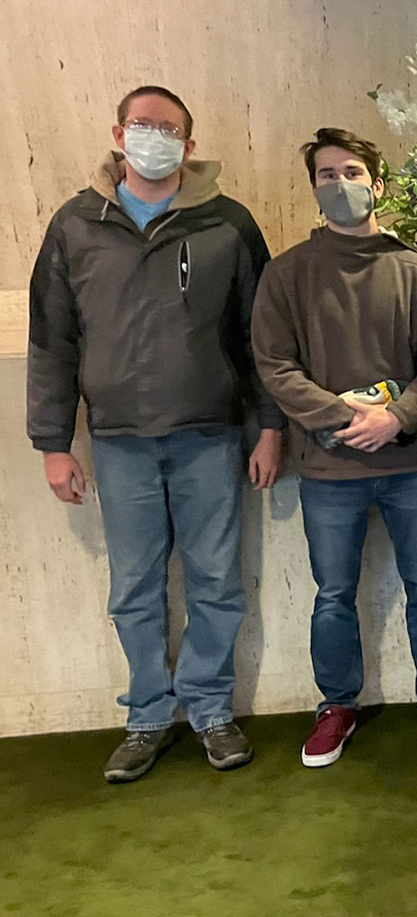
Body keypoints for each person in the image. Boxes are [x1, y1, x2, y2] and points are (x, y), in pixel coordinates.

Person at [27, 85, 284, 782]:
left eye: (168, 128)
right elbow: (53, 337)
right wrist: (53, 442)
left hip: (210, 433)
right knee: (135, 586)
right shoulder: (77, 224)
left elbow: (260, 335)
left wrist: (268, 428)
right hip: (118, 441)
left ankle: (209, 710)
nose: (154, 136)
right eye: (142, 124)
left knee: (216, 581)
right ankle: (145, 715)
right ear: (118, 132)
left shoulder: (227, 223)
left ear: (189, 146)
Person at [253, 128, 417, 767]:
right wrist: (341, 416)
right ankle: (336, 706)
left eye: (350, 172)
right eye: (325, 174)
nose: (339, 184)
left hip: (408, 463)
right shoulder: (287, 274)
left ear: (378, 184)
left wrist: (397, 418)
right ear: (313, 187)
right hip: (328, 466)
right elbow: (274, 363)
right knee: (332, 594)